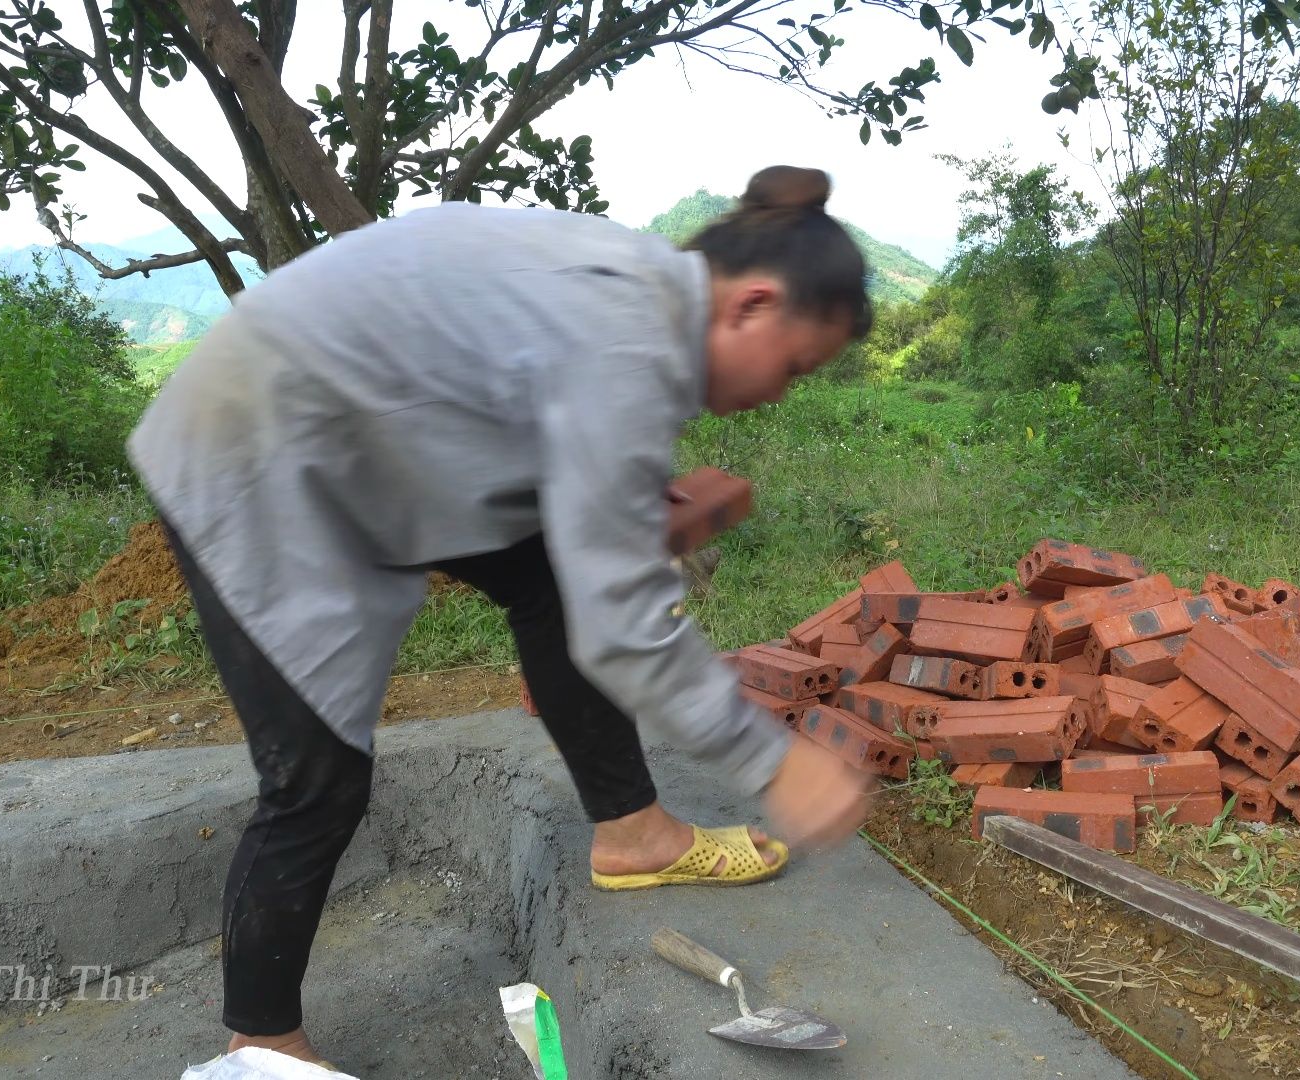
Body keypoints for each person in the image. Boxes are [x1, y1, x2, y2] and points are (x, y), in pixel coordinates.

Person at [126, 164, 875, 1068]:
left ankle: (635, 834)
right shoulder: (628, 344)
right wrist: (773, 761)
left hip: (368, 431)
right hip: (257, 453)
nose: (785, 391)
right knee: (315, 777)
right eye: (795, 366)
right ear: (752, 305)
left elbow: (532, 404)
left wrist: (613, 492)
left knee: (555, 574)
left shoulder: (643, 290)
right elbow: (626, 628)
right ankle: (263, 1045)